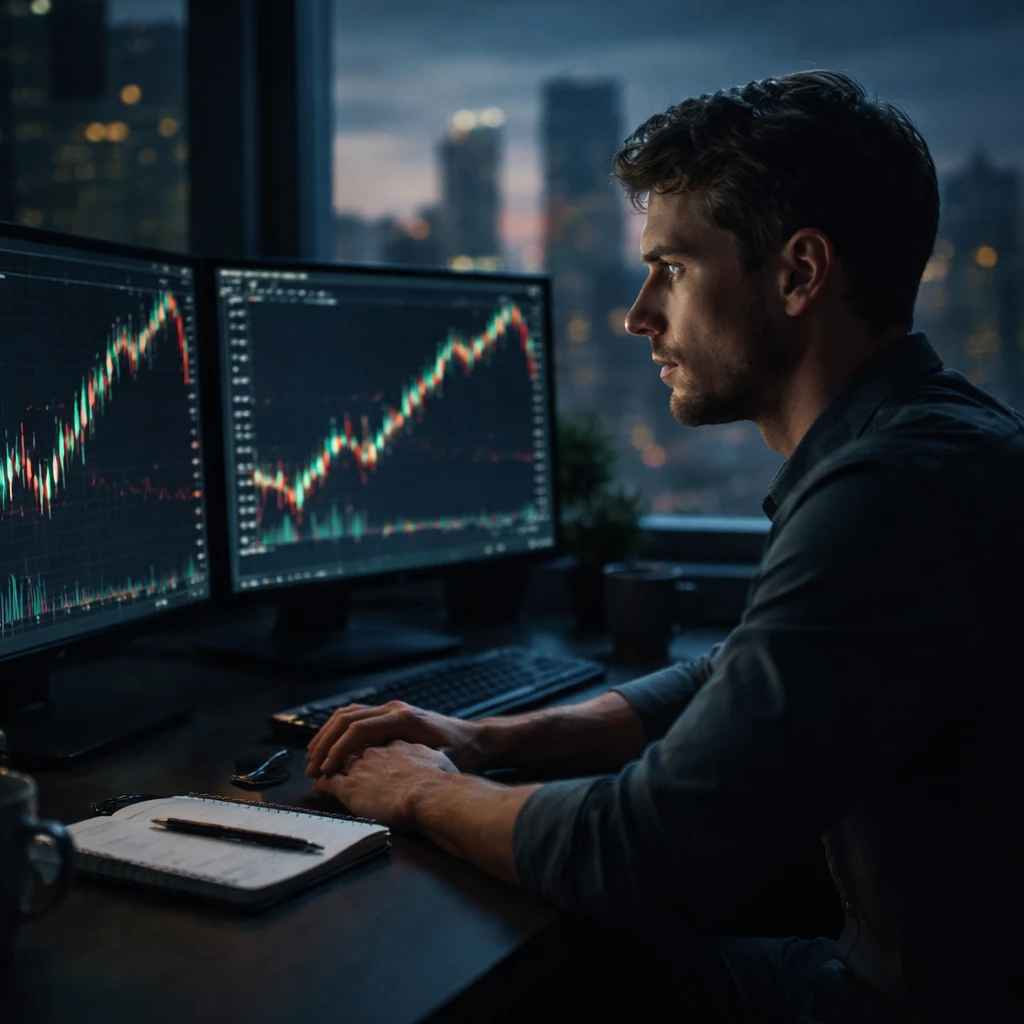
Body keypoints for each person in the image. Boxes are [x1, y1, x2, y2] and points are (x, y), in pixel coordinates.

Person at [305, 70, 1023, 1022]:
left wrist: (419, 792)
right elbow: (740, 672)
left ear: (800, 274)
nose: (639, 312)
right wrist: (485, 739)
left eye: (673, 269)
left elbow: (643, 851)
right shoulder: (929, 441)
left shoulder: (892, 493)